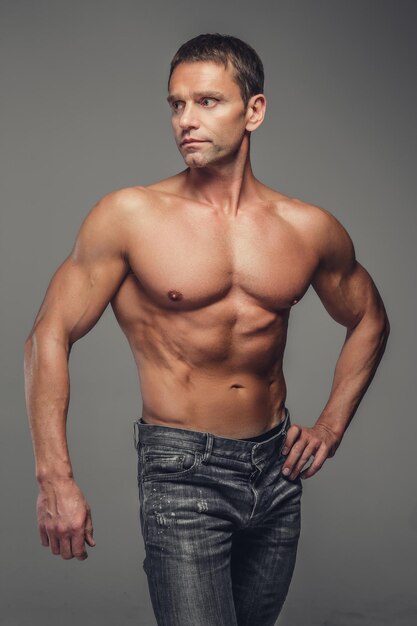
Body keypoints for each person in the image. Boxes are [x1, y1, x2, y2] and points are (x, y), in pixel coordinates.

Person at [24, 33, 390, 625]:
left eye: (207, 102)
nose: (186, 121)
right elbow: (47, 335)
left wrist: (330, 425)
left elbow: (370, 317)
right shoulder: (129, 216)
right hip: (182, 472)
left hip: (277, 471)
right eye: (176, 104)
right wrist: (55, 479)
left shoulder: (306, 228)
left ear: (254, 111)